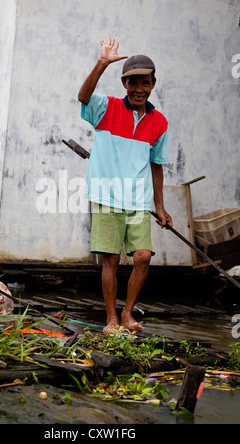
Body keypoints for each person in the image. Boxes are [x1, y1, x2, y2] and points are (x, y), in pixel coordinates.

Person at [78, 38, 173, 333]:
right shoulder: (105, 108)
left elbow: (156, 165)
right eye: (133, 83)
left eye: (144, 83)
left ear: (153, 84)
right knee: (111, 259)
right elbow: (83, 96)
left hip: (138, 200)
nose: (139, 89)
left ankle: (128, 313)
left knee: (143, 257)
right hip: (108, 196)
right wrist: (102, 63)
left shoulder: (159, 123)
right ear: (124, 84)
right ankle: (111, 318)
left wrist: (159, 206)